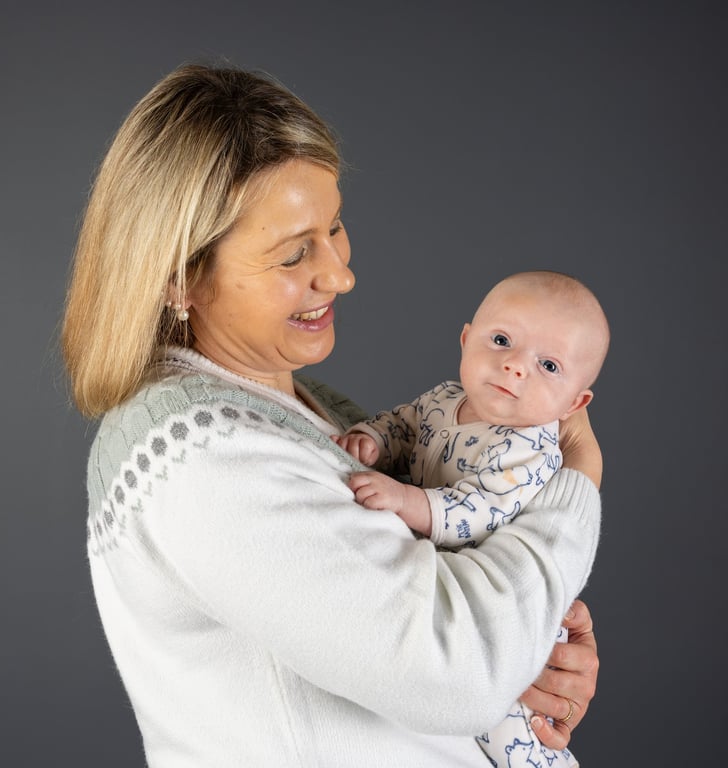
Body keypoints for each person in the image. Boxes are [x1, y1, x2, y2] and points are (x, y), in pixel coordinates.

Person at [62, 63, 603, 768]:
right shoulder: (203, 456)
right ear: (180, 278)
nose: (341, 274)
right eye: (294, 254)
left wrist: (535, 652)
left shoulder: (318, 416)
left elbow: (461, 635)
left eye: (335, 227)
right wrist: (575, 490)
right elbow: (459, 671)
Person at [336, 270, 610, 767]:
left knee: (514, 733)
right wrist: (373, 439)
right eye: (501, 340)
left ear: (575, 403)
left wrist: (403, 499)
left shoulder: (530, 447)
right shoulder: (445, 399)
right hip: (455, 608)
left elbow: (478, 510)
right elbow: (405, 423)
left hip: (510, 613)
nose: (515, 366)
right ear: (466, 340)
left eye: (548, 365)